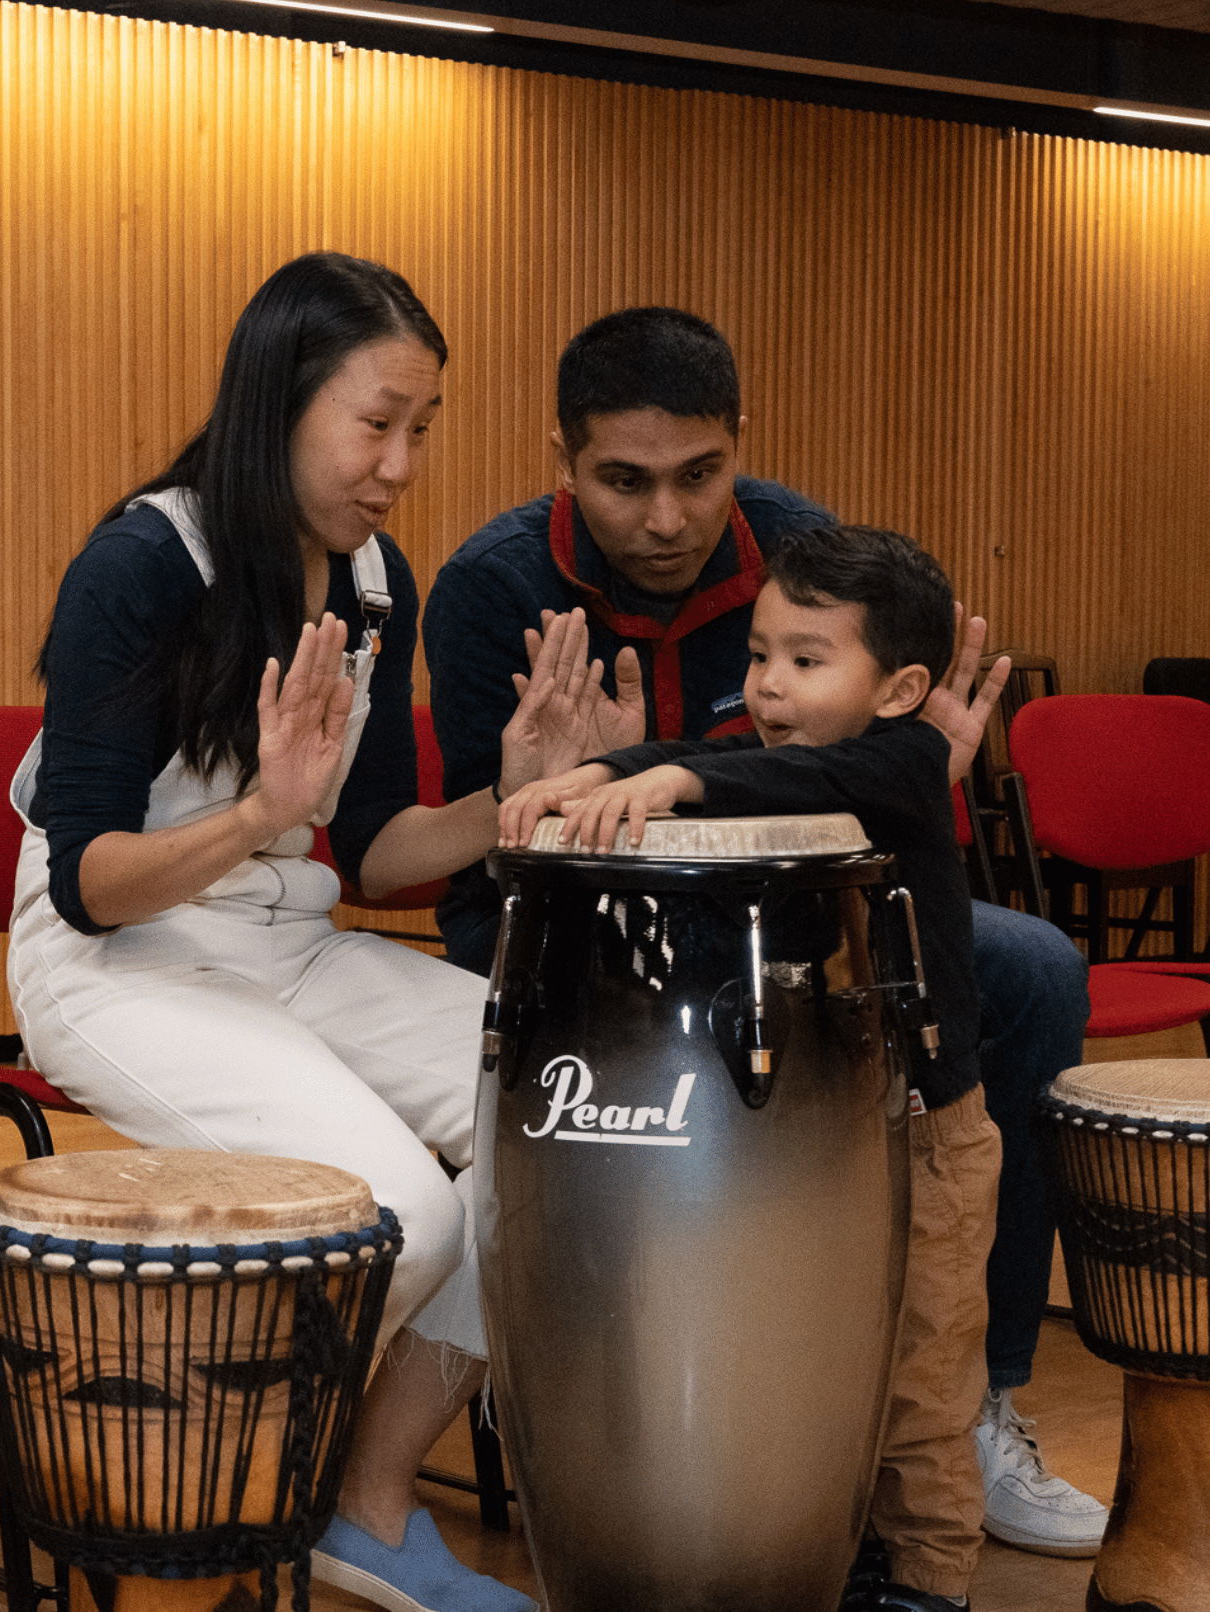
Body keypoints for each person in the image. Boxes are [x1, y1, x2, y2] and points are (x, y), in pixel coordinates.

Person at [422, 307, 1102, 1558]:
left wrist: (901, 765)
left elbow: (840, 765)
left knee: (1031, 967)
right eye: (624, 482)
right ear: (561, 458)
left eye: (698, 475)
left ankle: (977, 1399)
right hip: (580, 927)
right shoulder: (487, 587)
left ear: (739, 444)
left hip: (796, 901)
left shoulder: (798, 543)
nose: (667, 519)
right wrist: (554, 781)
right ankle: (646, 1419)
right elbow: (490, 856)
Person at [7, 252, 620, 1612]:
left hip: (285, 945)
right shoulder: (142, 561)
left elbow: (380, 853)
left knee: (573, 1113)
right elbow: (87, 883)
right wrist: (253, 818)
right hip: (118, 964)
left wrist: (508, 799)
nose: (398, 461)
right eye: (375, 421)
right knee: (397, 1213)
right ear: (277, 404)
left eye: (422, 426)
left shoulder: (371, 576)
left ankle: (360, 1498)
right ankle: (220, 1507)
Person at [499, 523, 999, 1612]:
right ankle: (842, 1550)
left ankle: (925, 1581)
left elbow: (783, 774)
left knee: (919, 1377)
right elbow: (723, 753)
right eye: (760, 652)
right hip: (830, 1136)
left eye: (805, 660)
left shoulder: (903, 760)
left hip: (931, 1133)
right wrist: (593, 771)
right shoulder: (775, 741)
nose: (767, 683)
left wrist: (674, 776)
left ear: (903, 685)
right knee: (821, 1353)